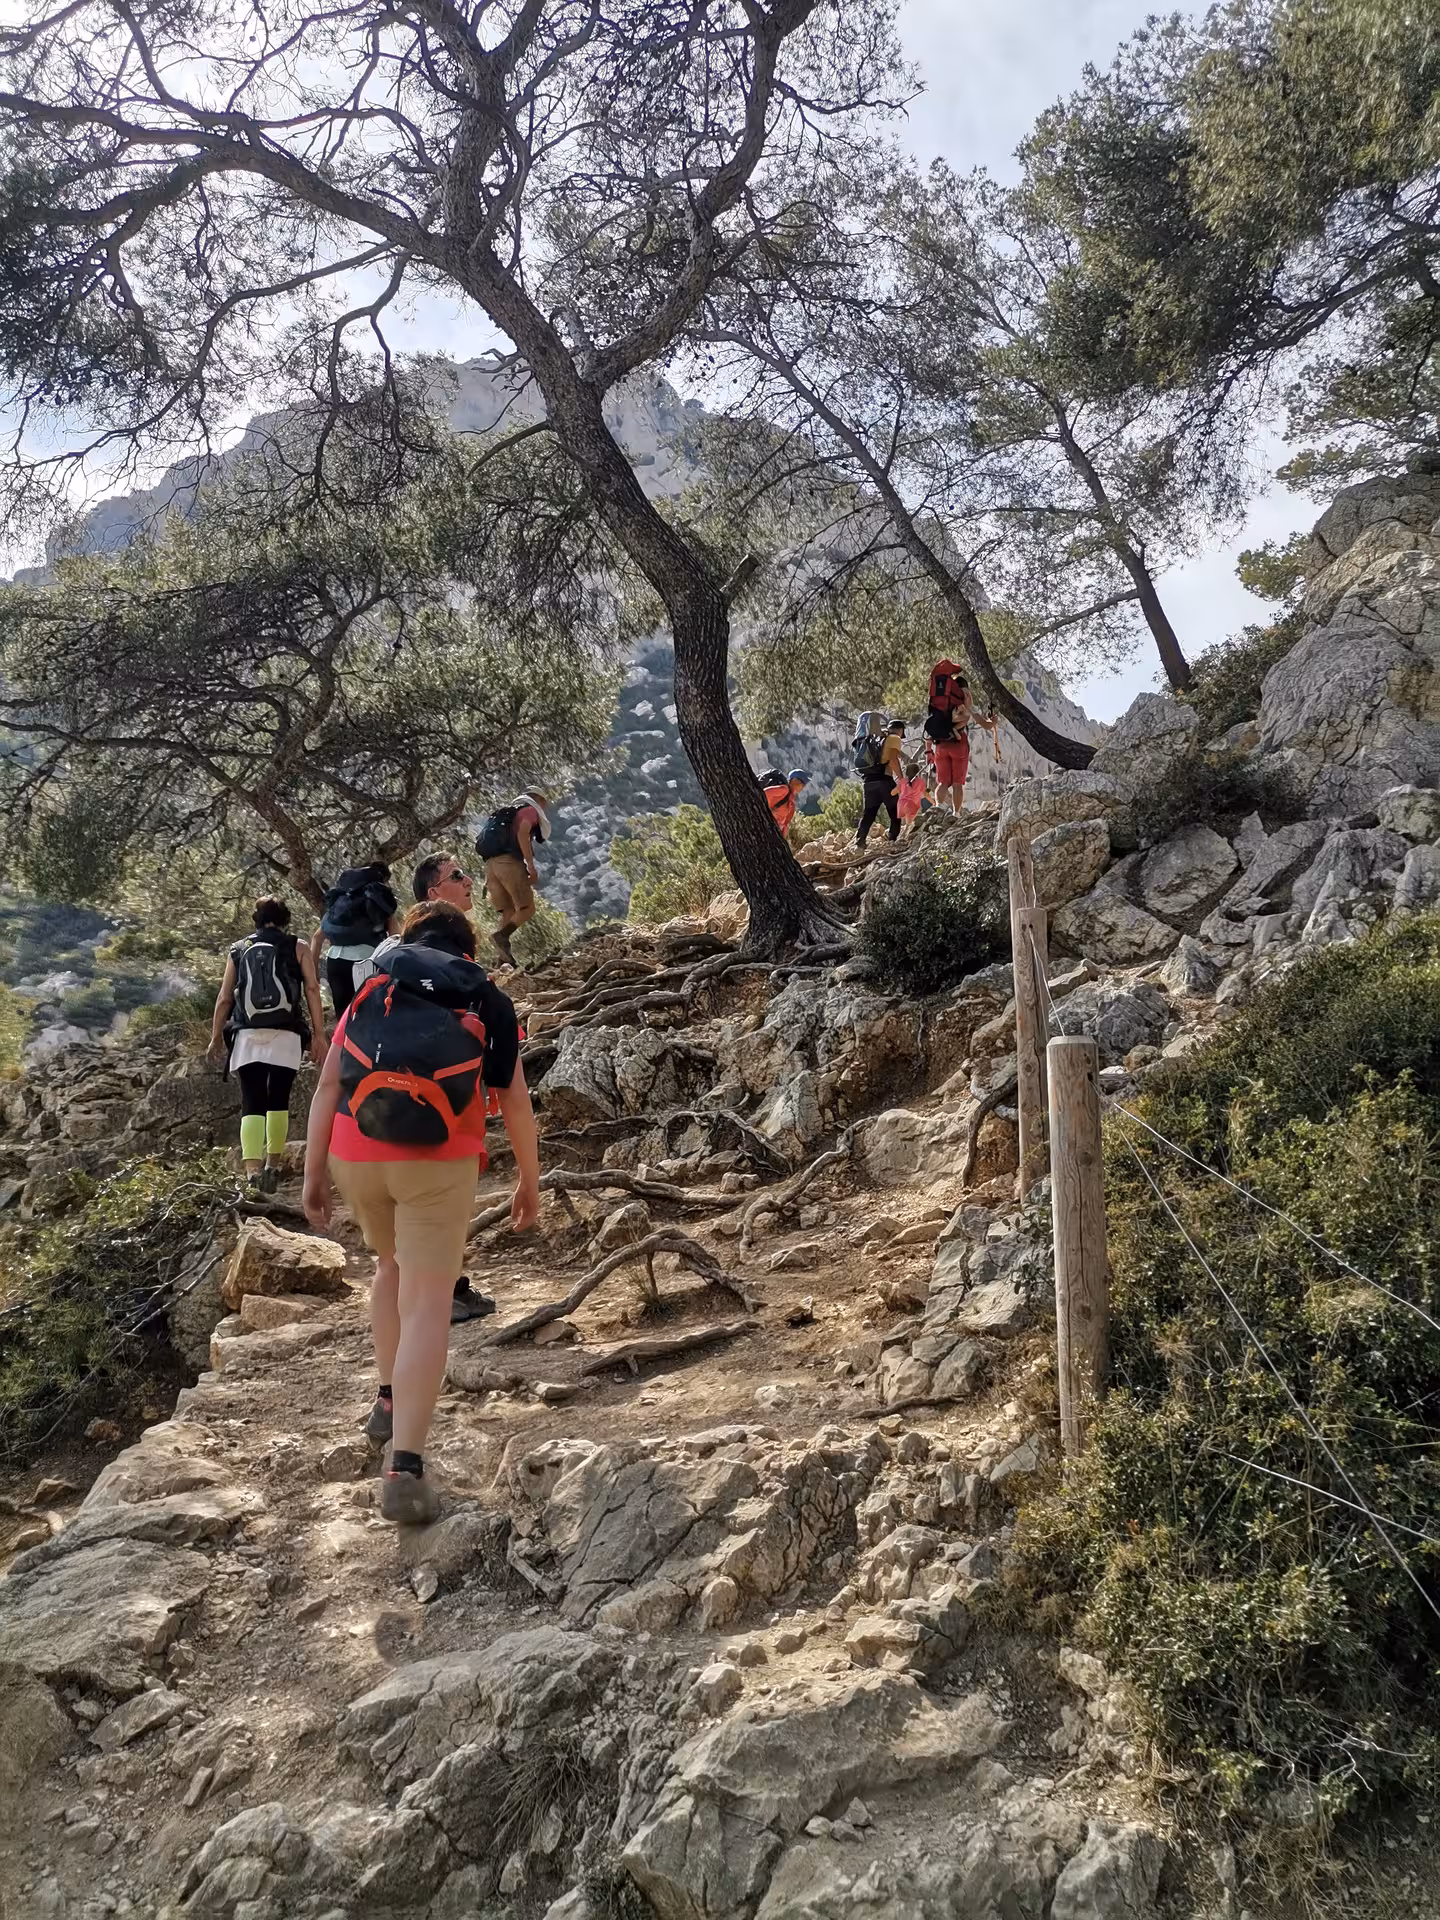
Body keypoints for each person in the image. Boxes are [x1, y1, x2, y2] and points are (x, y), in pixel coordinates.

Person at [302, 899, 541, 1524]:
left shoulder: (375, 985)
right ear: (469, 948)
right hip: (437, 1161)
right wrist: (530, 1183)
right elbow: (512, 1100)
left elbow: (329, 1083)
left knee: (389, 1270)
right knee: (431, 1301)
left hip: (358, 1152)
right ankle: (405, 1468)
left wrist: (312, 1172)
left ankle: (386, 1400)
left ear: (409, 939)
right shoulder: (484, 995)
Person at [209, 898, 327, 1192]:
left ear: (256, 920)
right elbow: (312, 989)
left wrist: (214, 1037)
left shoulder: (239, 949)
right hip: (286, 1034)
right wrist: (318, 1034)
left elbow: (225, 998)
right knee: (278, 1100)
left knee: (252, 1101)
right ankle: (273, 1166)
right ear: (285, 919)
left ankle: (251, 1173)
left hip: (247, 1035)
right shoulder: (298, 947)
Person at [310, 861, 401, 1016]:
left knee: (344, 1017)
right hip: (365, 962)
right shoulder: (379, 901)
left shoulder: (342, 901)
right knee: (368, 1015)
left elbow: (317, 938)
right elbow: (396, 938)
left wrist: (313, 974)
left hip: (335, 961)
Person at [475, 790, 550, 968]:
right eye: (545, 800)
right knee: (527, 908)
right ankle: (502, 936)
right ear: (537, 798)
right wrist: (530, 865)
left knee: (508, 910)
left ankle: (503, 962)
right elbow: (523, 834)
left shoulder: (509, 813)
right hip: (508, 862)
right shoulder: (530, 810)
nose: (546, 805)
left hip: (491, 865)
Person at [854, 715, 902, 849]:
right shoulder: (893, 738)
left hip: (868, 782)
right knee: (895, 812)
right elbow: (893, 759)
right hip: (884, 781)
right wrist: (901, 779)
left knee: (868, 814)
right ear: (900, 730)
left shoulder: (876, 739)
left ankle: (860, 842)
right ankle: (892, 840)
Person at [761, 768, 809, 839]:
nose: (803, 786)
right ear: (794, 781)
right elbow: (763, 793)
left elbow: (785, 824)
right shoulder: (784, 790)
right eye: (802, 783)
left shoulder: (791, 801)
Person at [896, 756, 928, 834]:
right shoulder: (920, 782)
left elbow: (896, 791)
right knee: (911, 823)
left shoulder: (903, 782)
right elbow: (924, 793)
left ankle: (902, 835)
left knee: (905, 823)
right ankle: (906, 835)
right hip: (913, 805)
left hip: (902, 804)